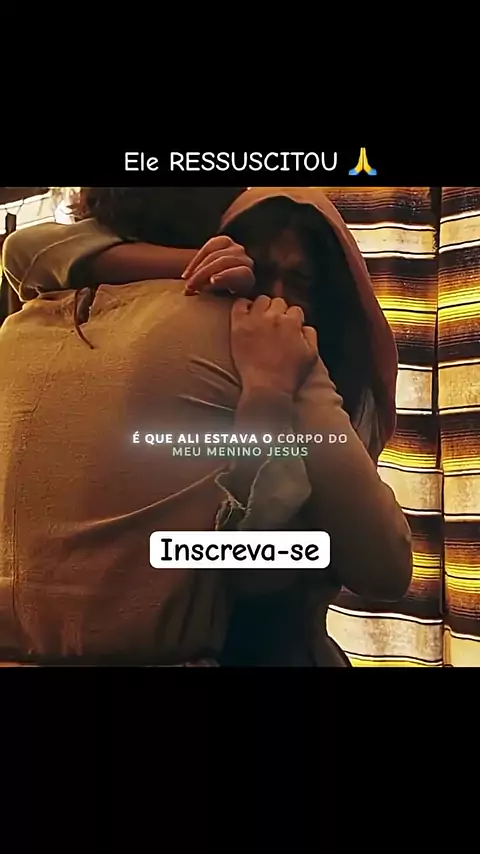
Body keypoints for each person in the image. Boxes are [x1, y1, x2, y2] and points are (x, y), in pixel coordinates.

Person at [1, 186, 412, 666]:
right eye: (259, 274)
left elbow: (371, 568)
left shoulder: (306, 363)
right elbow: (253, 566)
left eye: (300, 282)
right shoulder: (242, 341)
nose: (277, 300)